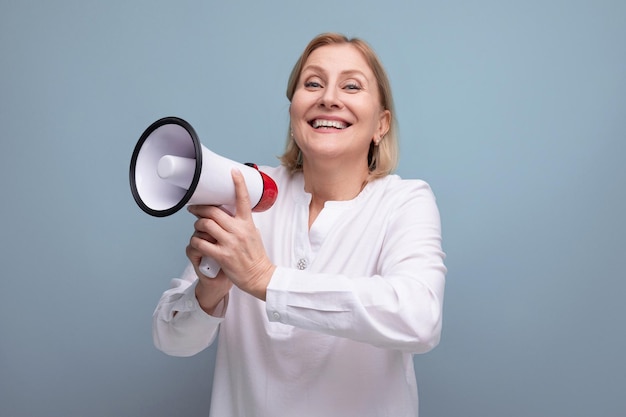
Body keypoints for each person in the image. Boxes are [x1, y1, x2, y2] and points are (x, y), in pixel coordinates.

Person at [152, 32, 447, 417]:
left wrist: (263, 278)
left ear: (381, 124)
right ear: (294, 114)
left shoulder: (404, 202)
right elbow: (170, 338)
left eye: (351, 86)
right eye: (312, 83)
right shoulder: (249, 195)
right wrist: (209, 293)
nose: (328, 97)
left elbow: (419, 318)